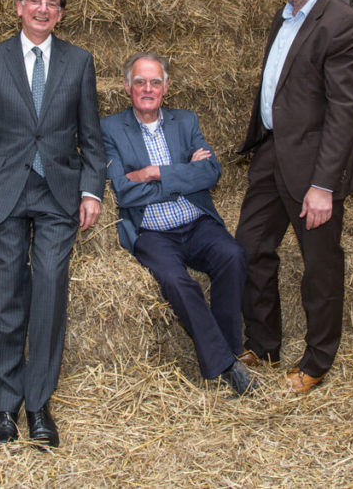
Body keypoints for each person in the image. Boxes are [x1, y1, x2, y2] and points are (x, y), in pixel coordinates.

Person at [0, 0, 105, 448]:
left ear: (61, 14)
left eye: (53, 4)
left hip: (58, 191)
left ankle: (39, 403)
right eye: (35, 2)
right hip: (6, 189)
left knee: (48, 287)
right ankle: (5, 406)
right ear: (19, 8)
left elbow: (93, 136)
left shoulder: (79, 62)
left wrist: (92, 190)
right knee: (5, 293)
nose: (43, 10)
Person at [235, 0, 353, 394]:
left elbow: (344, 111)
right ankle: (265, 343)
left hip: (313, 166)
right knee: (250, 245)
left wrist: (324, 185)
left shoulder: (342, 24)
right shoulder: (285, 16)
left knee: (320, 264)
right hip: (274, 152)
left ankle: (316, 360)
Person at [102, 53, 259, 396]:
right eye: (140, 82)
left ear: (166, 88)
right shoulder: (110, 128)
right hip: (152, 232)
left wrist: (154, 173)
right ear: (127, 87)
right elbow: (125, 192)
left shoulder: (186, 122)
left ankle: (229, 350)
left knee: (232, 255)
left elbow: (211, 172)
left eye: (155, 82)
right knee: (177, 280)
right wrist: (185, 175)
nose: (148, 89)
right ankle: (228, 365)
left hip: (195, 221)